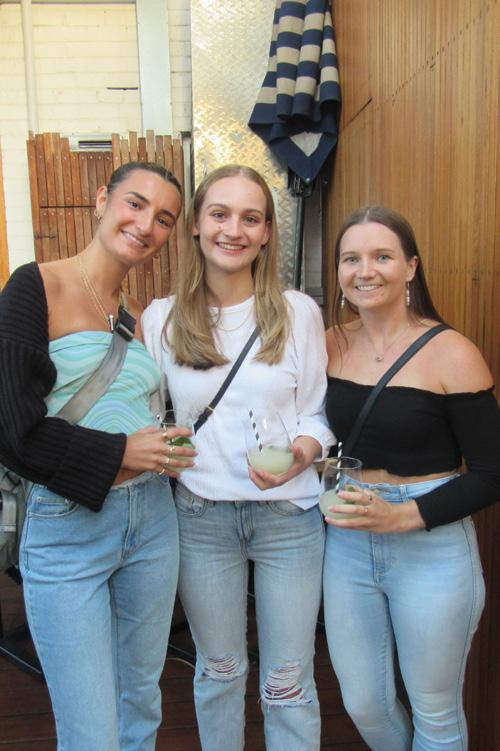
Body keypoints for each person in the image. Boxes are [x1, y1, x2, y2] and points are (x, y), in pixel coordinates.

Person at [0, 161, 193, 751]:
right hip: (67, 527)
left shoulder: (134, 311)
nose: (146, 225)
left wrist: (162, 445)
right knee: (91, 730)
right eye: (136, 204)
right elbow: (12, 429)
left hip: (152, 520)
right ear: (103, 199)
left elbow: (125, 406)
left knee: (141, 702)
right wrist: (122, 450)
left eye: (164, 218)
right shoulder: (35, 286)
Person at [142, 164, 334, 751]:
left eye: (251, 218)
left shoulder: (298, 312)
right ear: (196, 225)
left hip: (289, 519)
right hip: (201, 518)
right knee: (219, 672)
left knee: (287, 682)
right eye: (220, 214)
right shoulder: (162, 318)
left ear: (268, 231)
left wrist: (301, 453)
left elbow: (316, 416)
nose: (234, 230)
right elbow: (154, 419)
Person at [323, 205, 500, 751]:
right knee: (365, 703)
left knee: (435, 712)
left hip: (432, 544)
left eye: (382, 256)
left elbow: (493, 472)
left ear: (411, 267)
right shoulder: (328, 344)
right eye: (351, 259)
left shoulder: (452, 352)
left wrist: (403, 516)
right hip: (348, 540)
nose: (364, 271)